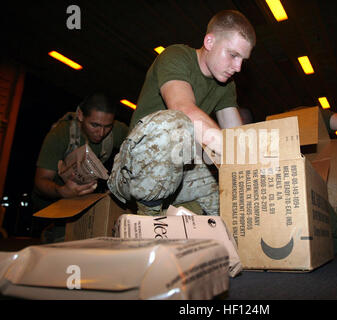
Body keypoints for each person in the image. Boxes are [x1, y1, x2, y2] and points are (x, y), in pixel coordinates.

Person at [108, 10, 255, 217]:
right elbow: (182, 108)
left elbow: (235, 135)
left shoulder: (227, 85)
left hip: (179, 172)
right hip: (132, 169)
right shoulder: (176, 56)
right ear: (210, 42)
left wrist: (256, 168)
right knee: (177, 122)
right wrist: (237, 156)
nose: (238, 67)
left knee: (230, 201)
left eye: (243, 60)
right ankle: (150, 219)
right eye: (233, 55)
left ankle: (182, 219)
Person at [32, 93, 128, 240]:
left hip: (83, 199)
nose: (101, 133)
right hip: (52, 201)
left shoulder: (117, 130)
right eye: (94, 125)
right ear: (80, 115)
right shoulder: (60, 134)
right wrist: (62, 191)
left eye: (107, 126)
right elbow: (40, 181)